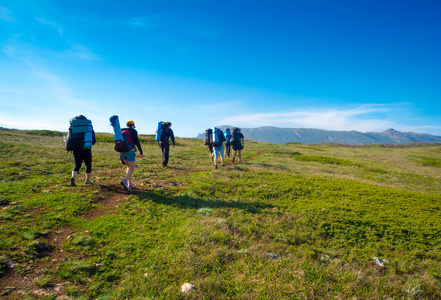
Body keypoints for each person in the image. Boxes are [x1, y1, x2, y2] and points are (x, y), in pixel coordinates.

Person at [69, 115, 96, 186]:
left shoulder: (74, 127)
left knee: (77, 164)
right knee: (88, 164)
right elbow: (93, 139)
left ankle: (73, 177)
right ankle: (87, 180)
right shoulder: (88, 126)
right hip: (86, 148)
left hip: (76, 148)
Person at [120, 120, 143, 190]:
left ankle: (129, 183)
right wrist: (141, 151)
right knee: (132, 168)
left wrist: (120, 156)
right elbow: (137, 142)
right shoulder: (133, 131)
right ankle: (125, 180)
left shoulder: (122, 130)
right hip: (130, 151)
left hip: (122, 151)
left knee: (128, 167)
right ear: (133, 125)